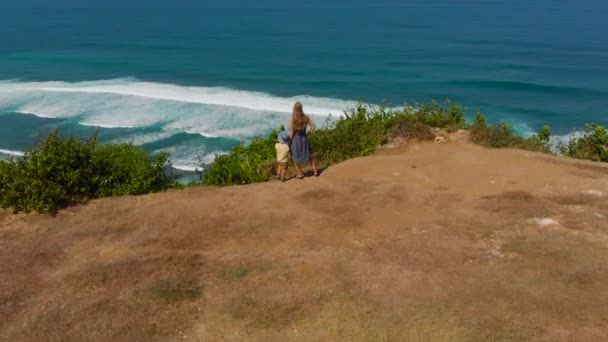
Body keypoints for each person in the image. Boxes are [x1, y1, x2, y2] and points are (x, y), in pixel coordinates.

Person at [289, 101, 319, 178]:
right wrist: (309, 133)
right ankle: (315, 171)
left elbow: (292, 133)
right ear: (301, 108)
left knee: (295, 157)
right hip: (304, 138)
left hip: (296, 140)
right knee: (309, 155)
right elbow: (313, 126)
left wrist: (289, 142)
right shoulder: (306, 117)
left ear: (294, 109)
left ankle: (300, 174)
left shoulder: (293, 119)